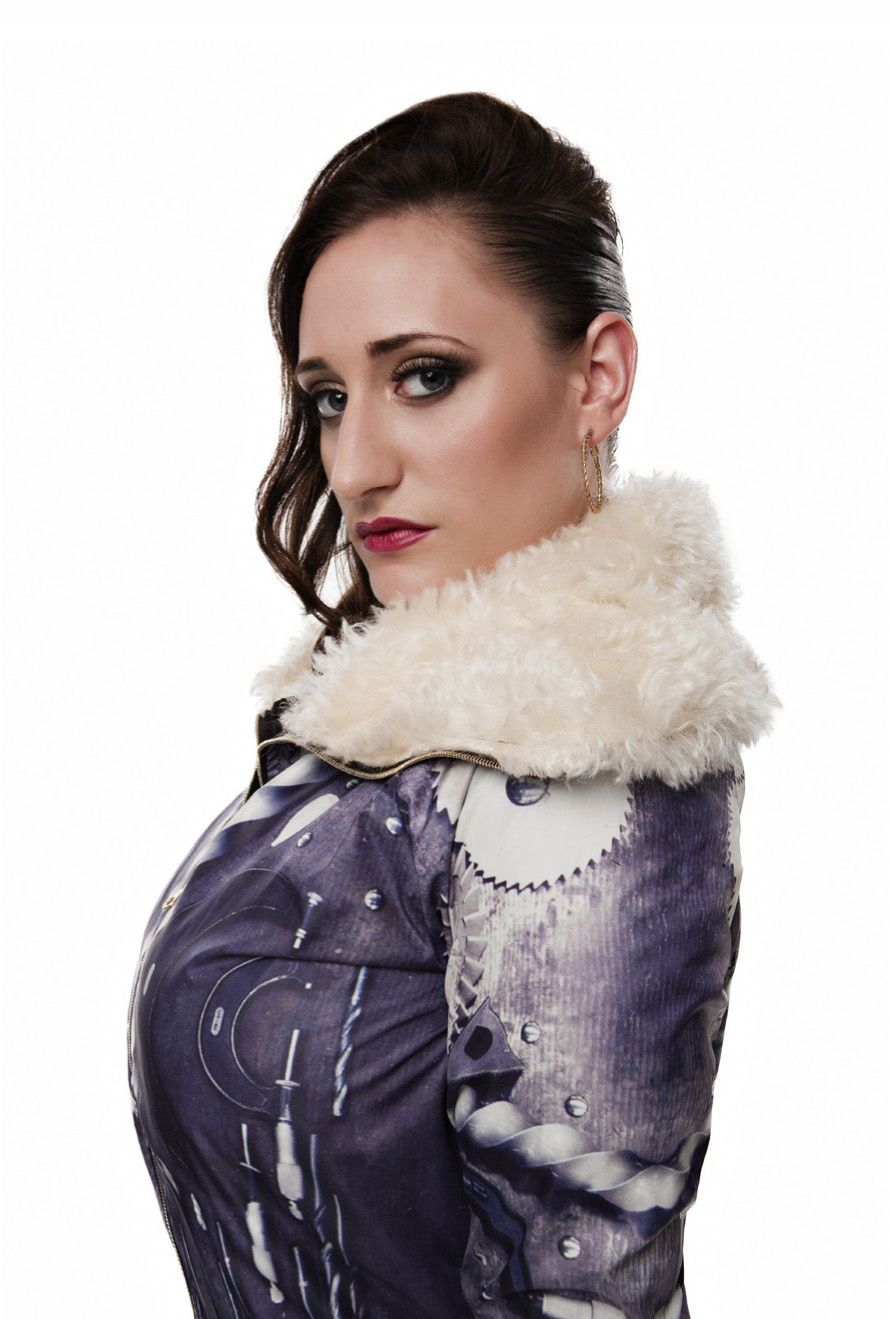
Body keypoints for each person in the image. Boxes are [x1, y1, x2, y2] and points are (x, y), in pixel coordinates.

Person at [126, 91, 780, 1319]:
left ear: (596, 378)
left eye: (425, 376)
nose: (355, 463)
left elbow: (585, 1282)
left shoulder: (587, 754)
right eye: (329, 396)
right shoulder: (395, 742)